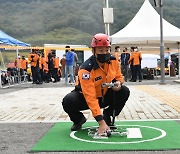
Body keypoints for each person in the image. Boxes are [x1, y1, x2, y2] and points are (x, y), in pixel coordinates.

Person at [62, 33, 130, 135]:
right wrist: (100, 122)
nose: (105, 53)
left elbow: (119, 76)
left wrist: (118, 83)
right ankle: (78, 119)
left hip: (104, 95)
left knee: (124, 90)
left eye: (107, 50)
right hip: (85, 98)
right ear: (93, 51)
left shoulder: (113, 61)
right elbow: (90, 97)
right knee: (68, 101)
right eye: (101, 50)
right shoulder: (86, 70)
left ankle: (108, 115)